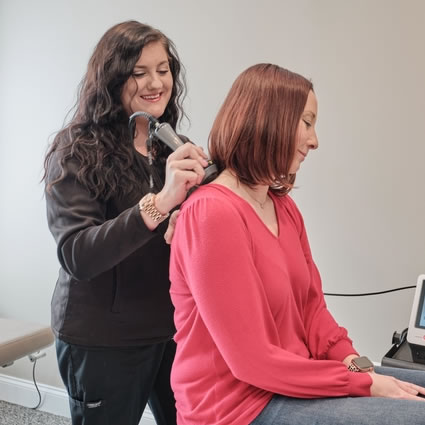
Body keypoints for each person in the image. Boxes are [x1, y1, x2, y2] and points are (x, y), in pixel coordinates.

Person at [168, 63, 425, 425]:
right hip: (238, 408)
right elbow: (251, 361)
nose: (314, 140)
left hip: (292, 384)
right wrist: (361, 384)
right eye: (306, 122)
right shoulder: (212, 213)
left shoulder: (283, 207)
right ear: (269, 119)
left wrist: (363, 368)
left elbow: (313, 312)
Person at [43, 20, 208, 425]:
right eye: (139, 73)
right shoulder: (74, 151)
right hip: (104, 339)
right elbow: (77, 255)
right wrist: (161, 203)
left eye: (163, 69)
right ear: (112, 78)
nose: (156, 82)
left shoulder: (173, 146)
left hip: (171, 331)